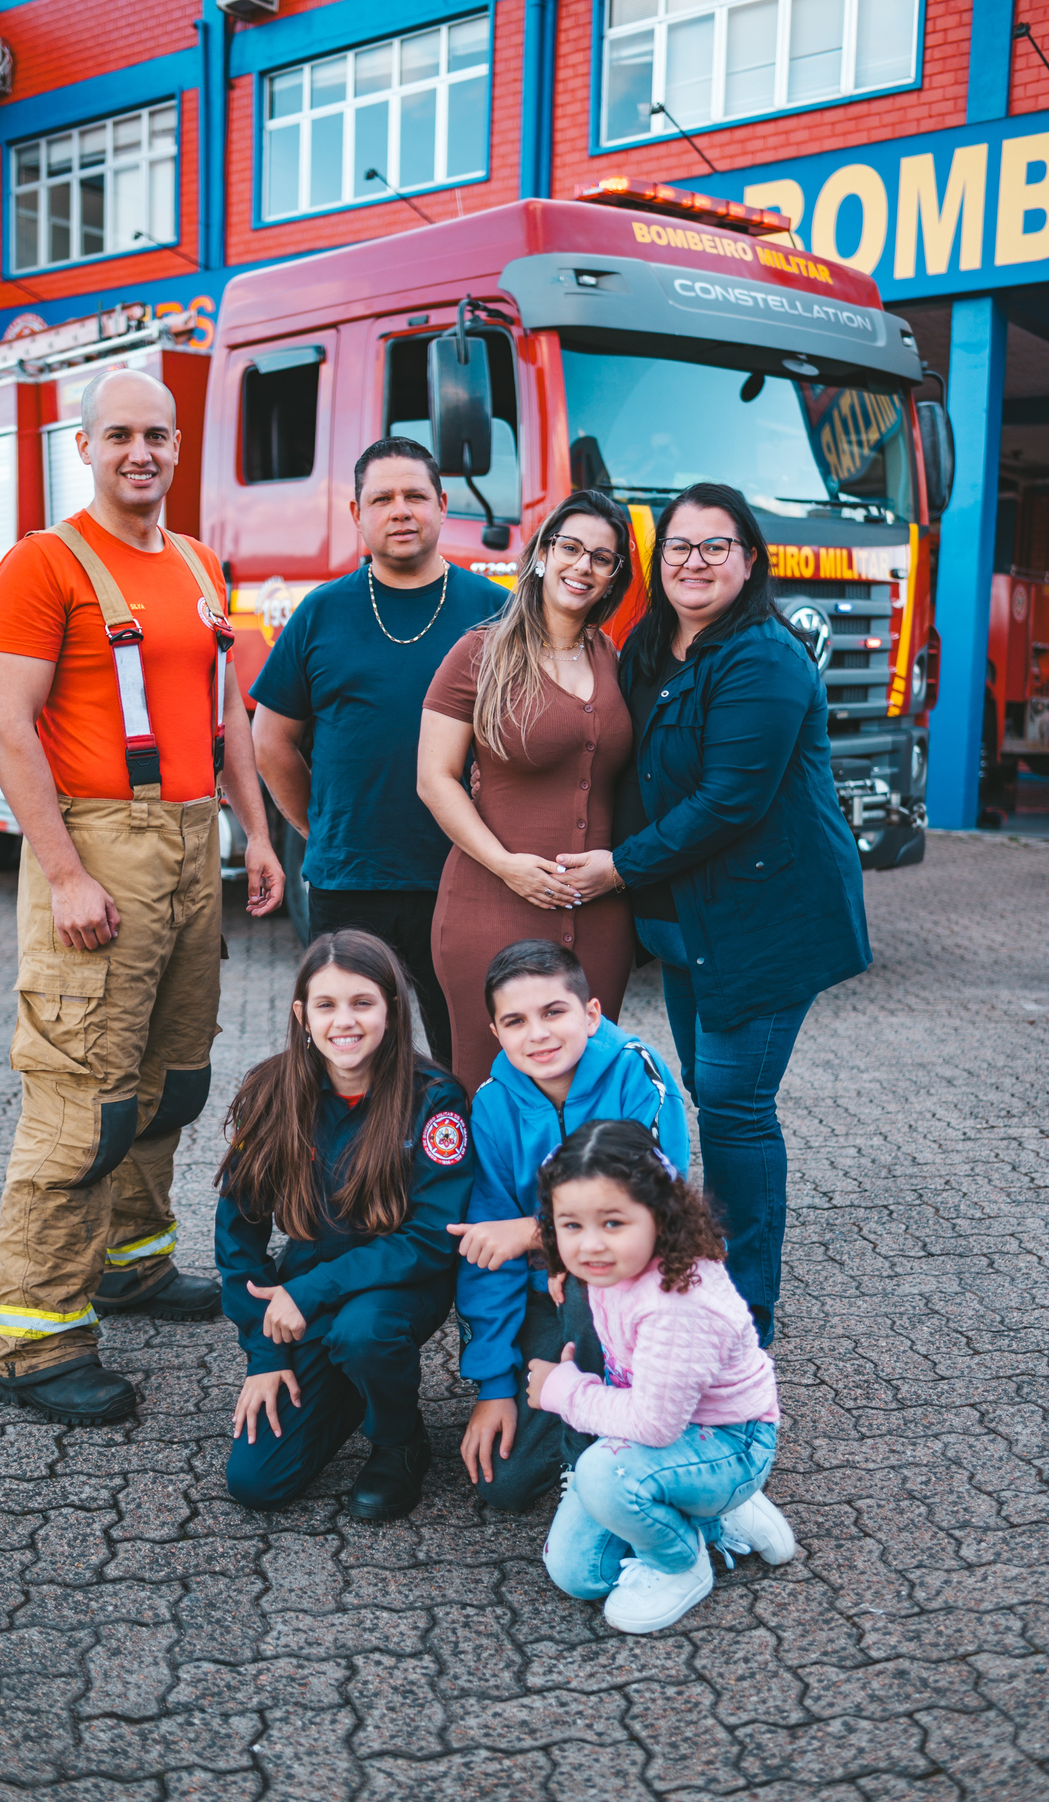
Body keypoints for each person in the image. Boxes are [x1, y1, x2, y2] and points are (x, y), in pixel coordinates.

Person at [0, 367, 283, 1428]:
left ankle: (133, 1263)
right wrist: (65, 873)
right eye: (119, 435)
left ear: (178, 444)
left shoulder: (197, 562)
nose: (140, 452)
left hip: (193, 841)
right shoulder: (42, 564)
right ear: (85, 446)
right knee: (84, 1095)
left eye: (157, 434)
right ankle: (38, 1339)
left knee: (172, 1079)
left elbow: (225, 713)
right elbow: (7, 726)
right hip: (101, 843)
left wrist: (256, 834)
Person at [557, 483, 870, 1348]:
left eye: (714, 546)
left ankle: (745, 1315)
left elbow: (731, 800)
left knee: (735, 1106)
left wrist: (618, 866)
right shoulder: (651, 643)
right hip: (690, 926)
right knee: (711, 1092)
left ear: (749, 558)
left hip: (763, 919)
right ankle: (706, 1281)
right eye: (678, 547)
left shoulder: (764, 659)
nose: (693, 562)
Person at [250, 438, 506, 1066]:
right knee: (352, 1062)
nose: (400, 510)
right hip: (350, 884)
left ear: (442, 505)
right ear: (356, 514)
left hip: (464, 876)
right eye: (382, 498)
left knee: (465, 1061)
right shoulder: (321, 613)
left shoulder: (496, 612)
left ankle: (451, 1138)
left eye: (415, 495)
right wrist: (320, 826)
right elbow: (272, 741)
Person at [216, 929, 474, 1519]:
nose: (345, 1021)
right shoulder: (270, 1092)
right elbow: (237, 1236)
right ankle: (356, 1384)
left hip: (398, 1287)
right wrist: (265, 1354)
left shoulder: (435, 1099)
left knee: (363, 1332)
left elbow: (432, 1238)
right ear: (302, 1016)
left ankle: (399, 1441)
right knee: (257, 1483)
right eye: (326, 1005)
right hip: (310, 1296)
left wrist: (309, 1291)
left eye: (363, 1003)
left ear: (392, 1010)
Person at [527, 1120, 795, 1635]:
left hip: (730, 1442)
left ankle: (680, 1564)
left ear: (659, 1214)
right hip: (668, 1435)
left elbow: (653, 1425)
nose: (590, 1245)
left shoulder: (677, 1304)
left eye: (613, 1222)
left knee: (602, 1473)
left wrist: (564, 1390)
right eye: (571, 1225)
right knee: (579, 1573)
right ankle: (711, 1512)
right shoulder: (616, 1268)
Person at [450, 939, 689, 1513]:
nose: (538, 1034)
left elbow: (652, 1211)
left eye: (554, 1012)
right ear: (496, 1032)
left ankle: (604, 1474)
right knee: (503, 1484)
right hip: (545, 1301)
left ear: (591, 1013)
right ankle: (602, 1434)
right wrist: (495, 1387)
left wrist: (535, 1233)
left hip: (638, 1294)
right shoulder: (492, 1106)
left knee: (589, 1272)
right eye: (516, 1021)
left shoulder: (637, 1074)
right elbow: (487, 1252)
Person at [419, 490, 637, 1095]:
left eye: (601, 557)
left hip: (600, 915)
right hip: (492, 905)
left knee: (589, 1089)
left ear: (613, 576)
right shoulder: (479, 653)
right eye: (570, 548)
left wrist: (622, 867)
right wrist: (507, 866)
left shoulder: (613, 657)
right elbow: (434, 778)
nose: (582, 566)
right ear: (542, 553)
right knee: (489, 1091)